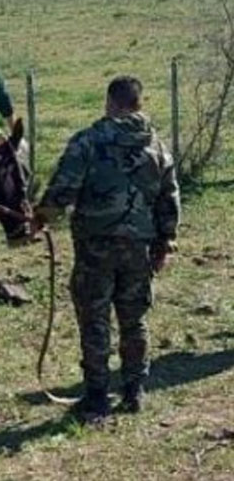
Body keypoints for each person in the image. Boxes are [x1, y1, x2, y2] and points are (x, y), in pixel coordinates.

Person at [32, 76, 180, 420]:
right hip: (139, 249)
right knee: (134, 318)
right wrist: (165, 241)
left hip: (95, 247)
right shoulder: (157, 147)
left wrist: (40, 218)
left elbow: (63, 189)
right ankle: (134, 389)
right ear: (139, 103)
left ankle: (98, 395)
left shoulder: (89, 142)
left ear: (111, 102)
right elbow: (169, 199)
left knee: (95, 319)